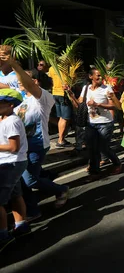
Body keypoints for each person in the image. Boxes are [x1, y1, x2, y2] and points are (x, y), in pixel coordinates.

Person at [2, 55, 69, 220]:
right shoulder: (21, 99)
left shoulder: (43, 98)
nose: (19, 83)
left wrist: (13, 64)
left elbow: (28, 84)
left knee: (29, 181)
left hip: (38, 144)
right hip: (23, 147)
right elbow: (5, 87)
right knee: (24, 181)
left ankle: (60, 190)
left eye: (22, 80)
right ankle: (32, 210)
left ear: (36, 81)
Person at [69, 68, 122, 176]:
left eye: (100, 76)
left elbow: (115, 106)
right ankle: (94, 170)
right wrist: (71, 95)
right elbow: (79, 105)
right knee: (92, 147)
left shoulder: (106, 88)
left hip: (105, 123)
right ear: (90, 76)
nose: (100, 78)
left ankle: (116, 163)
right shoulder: (86, 88)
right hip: (91, 123)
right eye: (97, 76)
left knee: (103, 147)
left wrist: (98, 105)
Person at [0, 88, 30, 252]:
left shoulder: (11, 121)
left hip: (10, 163)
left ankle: (3, 236)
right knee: (15, 194)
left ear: (10, 105)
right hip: (10, 163)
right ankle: (21, 226)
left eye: (1, 102)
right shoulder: (4, 118)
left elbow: (13, 147)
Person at [47, 63, 71, 148]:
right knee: (65, 118)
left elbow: (51, 80)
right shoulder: (67, 67)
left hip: (55, 92)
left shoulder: (52, 68)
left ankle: (62, 138)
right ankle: (60, 140)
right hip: (63, 93)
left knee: (61, 117)